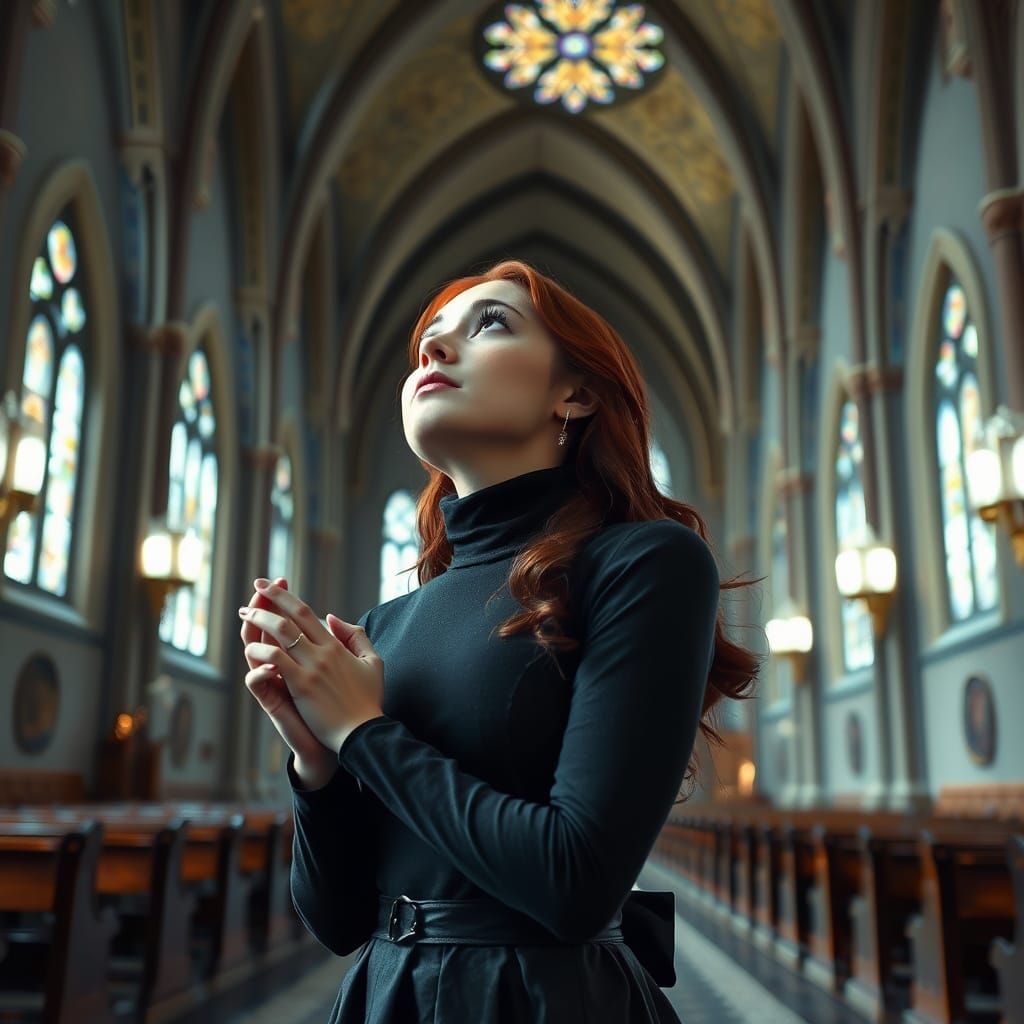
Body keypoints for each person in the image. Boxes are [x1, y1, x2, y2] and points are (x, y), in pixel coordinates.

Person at [238, 259, 762, 1022]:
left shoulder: (647, 562)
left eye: (488, 324)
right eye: (428, 338)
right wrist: (314, 761)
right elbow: (338, 920)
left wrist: (362, 731)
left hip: (546, 1000)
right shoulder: (389, 623)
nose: (434, 349)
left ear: (575, 393)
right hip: (388, 999)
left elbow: (576, 884)